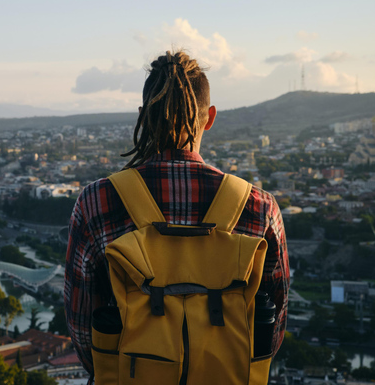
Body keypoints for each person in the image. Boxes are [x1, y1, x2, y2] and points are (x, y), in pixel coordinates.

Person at [64, 50, 289, 381]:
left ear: (143, 116)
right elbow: (274, 326)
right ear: (210, 117)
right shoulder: (258, 207)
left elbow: (83, 327)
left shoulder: (98, 202)